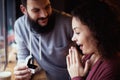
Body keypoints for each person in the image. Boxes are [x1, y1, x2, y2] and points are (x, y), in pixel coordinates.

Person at [13, 0, 73, 80]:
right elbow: (23, 58)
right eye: (36, 10)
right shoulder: (20, 26)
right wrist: (22, 71)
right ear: (24, 10)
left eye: (47, 7)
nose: (44, 14)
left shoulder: (68, 22)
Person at [66, 1, 120, 80]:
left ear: (96, 31)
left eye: (77, 32)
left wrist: (76, 77)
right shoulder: (91, 55)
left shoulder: (112, 68)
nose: (73, 38)